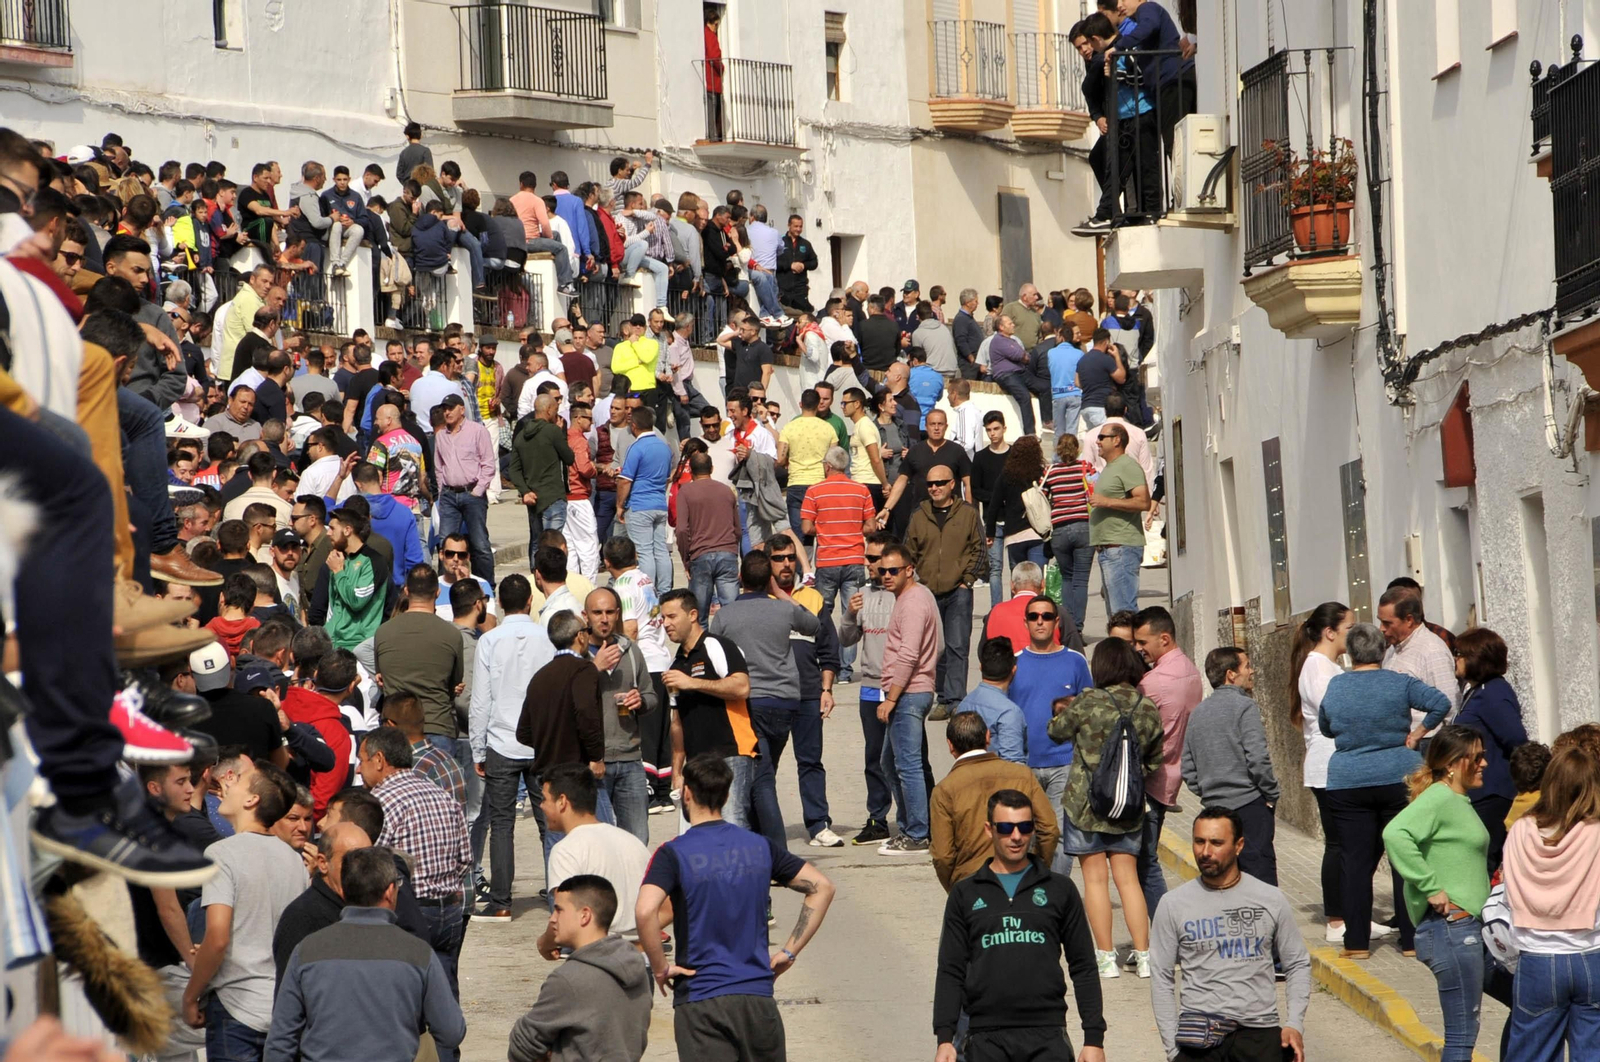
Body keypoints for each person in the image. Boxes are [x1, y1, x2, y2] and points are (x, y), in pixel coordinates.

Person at [636, 754, 836, 1061]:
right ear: (727, 795)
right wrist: (788, 952)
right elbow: (822, 887)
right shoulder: (760, 846)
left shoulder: (672, 853)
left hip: (701, 1000)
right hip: (757, 998)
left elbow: (645, 911)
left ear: (686, 793)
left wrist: (660, 968)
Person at [932, 788, 1105, 1062]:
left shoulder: (1061, 890)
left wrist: (1094, 1039)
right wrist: (945, 1038)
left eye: (1025, 827)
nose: (1016, 837)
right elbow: (951, 970)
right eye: (1006, 828)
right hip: (986, 1038)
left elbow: (1083, 966)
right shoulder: (965, 894)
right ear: (989, 830)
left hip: (1047, 1035)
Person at [1319, 622, 1451, 959]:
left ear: (1350, 653)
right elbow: (1440, 702)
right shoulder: (1399, 681)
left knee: (1355, 862)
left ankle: (1357, 943)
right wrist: (1418, 733)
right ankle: (1410, 941)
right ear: (1382, 651)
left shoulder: (1337, 686)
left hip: (1348, 781)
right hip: (1399, 778)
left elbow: (1325, 726)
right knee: (1403, 858)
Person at [266, 846, 466, 1062]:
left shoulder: (307, 951)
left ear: (344, 889)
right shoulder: (418, 954)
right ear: (390, 891)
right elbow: (452, 1031)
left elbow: (280, 1041)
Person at [1150, 808, 1312, 1062]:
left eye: (1216, 843)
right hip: (1199, 1039)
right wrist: (1173, 1050)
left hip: (1260, 1035)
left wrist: (1294, 1024)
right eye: (1199, 841)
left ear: (1238, 846)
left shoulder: (1270, 899)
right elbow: (1161, 976)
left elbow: (1298, 963)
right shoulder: (1173, 904)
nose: (1205, 852)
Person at [1047, 637, 1165, 980]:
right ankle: (1144, 956)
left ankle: (1105, 958)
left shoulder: (1087, 702)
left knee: (1094, 880)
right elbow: (1155, 759)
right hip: (1128, 806)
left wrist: (1059, 711)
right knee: (1128, 880)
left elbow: (1055, 732)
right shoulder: (1146, 706)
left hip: (1085, 805)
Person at [1382, 725, 1493, 1062]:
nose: (1485, 764)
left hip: (1468, 929)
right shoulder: (1440, 797)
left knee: (1529, 1002)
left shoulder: (1456, 799)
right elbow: (1395, 833)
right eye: (1478, 757)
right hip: (1452, 929)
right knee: (1461, 1036)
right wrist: (1430, 887)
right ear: (1454, 764)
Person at [182, 761, 306, 1059]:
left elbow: (218, 937)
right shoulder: (294, 861)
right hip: (283, 1009)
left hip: (235, 1008)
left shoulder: (222, 854)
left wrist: (190, 995)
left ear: (252, 800)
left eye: (236, 780)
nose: (227, 781)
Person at [708, 548, 822, 848]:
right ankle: (763, 845)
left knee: (762, 779)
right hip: (785, 702)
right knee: (762, 773)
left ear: (739, 578)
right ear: (769, 579)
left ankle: (776, 853)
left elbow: (712, 655)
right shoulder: (783, 610)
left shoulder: (725, 615)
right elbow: (813, 624)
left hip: (749, 704)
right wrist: (780, 594)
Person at [1500, 743, 1600, 1061]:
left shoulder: (1521, 830)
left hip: (1537, 957)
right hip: (1592, 953)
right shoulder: (1596, 831)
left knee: (1532, 1053)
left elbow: (1508, 891)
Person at [358, 727, 473, 995]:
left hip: (409, 912)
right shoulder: (441, 795)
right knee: (443, 993)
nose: (358, 769)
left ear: (379, 760)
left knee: (407, 996)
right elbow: (465, 860)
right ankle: (447, 1037)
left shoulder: (380, 802)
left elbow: (370, 863)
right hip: (450, 912)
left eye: (361, 760)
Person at [468, 574, 556, 920]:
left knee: (502, 823)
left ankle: (501, 901)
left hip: (502, 741)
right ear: (529, 602)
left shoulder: (489, 641)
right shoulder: (546, 639)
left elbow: (481, 701)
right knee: (548, 822)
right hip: (540, 744)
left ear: (500, 603)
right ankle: (556, 896)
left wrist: (478, 749)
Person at [1288, 601, 1372, 944]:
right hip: (1328, 767)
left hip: (1338, 764)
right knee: (1338, 843)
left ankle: (1354, 915)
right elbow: (1337, 714)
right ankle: (1337, 920)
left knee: (1351, 843)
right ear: (1330, 632)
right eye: (1349, 628)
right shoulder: (1318, 668)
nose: (1353, 634)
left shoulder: (1329, 666)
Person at [508, 873, 652, 1062]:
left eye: (559, 910)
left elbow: (522, 1045)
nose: (552, 919)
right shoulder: (637, 966)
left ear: (585, 915)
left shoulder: (569, 979)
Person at [658, 588, 760, 828]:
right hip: (696, 763)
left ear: (692, 615)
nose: (666, 624)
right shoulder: (678, 663)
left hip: (731, 751)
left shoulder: (716, 645)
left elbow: (742, 687)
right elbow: (677, 721)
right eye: (663, 618)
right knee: (700, 830)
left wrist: (691, 682)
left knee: (733, 823)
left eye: (672, 617)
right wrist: (677, 769)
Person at [930, 711, 1059, 890]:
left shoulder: (944, 790)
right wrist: (1037, 869)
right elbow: (1049, 829)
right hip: (1022, 878)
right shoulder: (1022, 775)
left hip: (971, 884)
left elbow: (943, 855)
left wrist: (956, 889)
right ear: (988, 737)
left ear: (950, 745)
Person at [1183, 647, 1279, 885]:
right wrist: (1271, 793)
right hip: (1248, 806)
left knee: (1221, 877)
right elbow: (1257, 759)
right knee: (1259, 878)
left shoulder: (1197, 713)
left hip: (1213, 808)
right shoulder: (1245, 707)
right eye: (1246, 666)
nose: (1251, 671)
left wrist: (1208, 791)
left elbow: (1187, 767)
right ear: (1231, 674)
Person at [1133, 605, 1202, 917]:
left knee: (1145, 865)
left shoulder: (1154, 683)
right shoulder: (1190, 670)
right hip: (1172, 777)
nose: (1139, 649)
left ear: (1164, 638)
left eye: (1143, 642)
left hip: (1151, 781)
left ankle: (1163, 933)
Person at [538, 762, 650, 950]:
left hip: (598, 958)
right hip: (638, 959)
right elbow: (666, 909)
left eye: (544, 799)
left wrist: (545, 944)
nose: (541, 806)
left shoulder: (566, 850)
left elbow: (565, 914)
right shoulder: (634, 843)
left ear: (562, 801)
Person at [876, 542, 942, 855]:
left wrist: (892, 697)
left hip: (909, 692)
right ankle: (925, 826)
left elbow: (909, 652)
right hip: (915, 689)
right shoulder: (916, 596)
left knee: (907, 766)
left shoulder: (914, 601)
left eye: (893, 570)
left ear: (909, 569)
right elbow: (937, 646)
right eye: (881, 569)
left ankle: (916, 833)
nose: (885, 575)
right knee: (895, 763)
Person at [904, 460, 984, 716]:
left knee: (958, 645)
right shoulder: (919, 515)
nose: (934, 488)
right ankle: (941, 697)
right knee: (934, 648)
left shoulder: (968, 514)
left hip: (958, 590)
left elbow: (979, 549)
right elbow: (908, 551)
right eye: (930, 484)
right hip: (927, 591)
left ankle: (955, 699)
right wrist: (913, 583)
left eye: (940, 483)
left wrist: (968, 580)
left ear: (953, 485)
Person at [604, 536, 677, 811]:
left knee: (643, 730)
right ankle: (662, 791)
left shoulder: (623, 586)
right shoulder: (645, 578)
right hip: (660, 658)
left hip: (644, 662)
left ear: (607, 562)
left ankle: (647, 791)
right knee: (660, 731)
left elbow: (630, 628)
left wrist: (624, 661)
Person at [583, 588, 659, 844]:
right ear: (586, 616)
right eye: (597, 612)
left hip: (630, 760)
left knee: (637, 840)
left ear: (617, 614)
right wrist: (594, 668)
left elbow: (651, 695)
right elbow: (565, 698)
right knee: (601, 843)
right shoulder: (579, 655)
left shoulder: (631, 651)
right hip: (594, 763)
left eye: (609, 612)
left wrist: (641, 700)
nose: (604, 619)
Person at [1451, 627, 1528, 874]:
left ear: (1476, 658)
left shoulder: (1493, 693)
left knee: (1483, 863)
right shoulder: (1476, 691)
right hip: (1478, 792)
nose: (1455, 658)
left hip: (1492, 793)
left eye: (1459, 653)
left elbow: (1516, 740)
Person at [1010, 593, 1094, 817]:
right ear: (1025, 622)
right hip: (1024, 765)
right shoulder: (1014, 663)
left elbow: (1090, 712)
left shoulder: (1076, 661)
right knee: (1028, 839)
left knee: (1060, 838)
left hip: (1065, 765)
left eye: (1046, 616)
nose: (1040, 621)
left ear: (1057, 622)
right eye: (1033, 616)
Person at [374, 565, 465, 753]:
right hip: (437, 725)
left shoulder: (383, 632)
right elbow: (454, 684)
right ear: (438, 592)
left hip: (395, 729)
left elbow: (381, 676)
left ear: (406, 591)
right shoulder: (451, 634)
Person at [270, 820, 371, 981]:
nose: (362, 869)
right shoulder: (302, 917)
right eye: (352, 860)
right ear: (323, 863)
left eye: (368, 860)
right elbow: (289, 990)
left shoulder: (372, 906)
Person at [433, 391, 497, 584]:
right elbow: (439, 466)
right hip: (449, 495)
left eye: (451, 408)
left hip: (472, 493)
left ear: (462, 409)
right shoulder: (441, 436)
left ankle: (486, 586)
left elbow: (488, 464)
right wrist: (442, 489)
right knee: (445, 543)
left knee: (479, 544)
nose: (447, 412)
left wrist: (478, 491)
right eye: (444, 409)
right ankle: (444, 584)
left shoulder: (477, 431)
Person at [1379, 586, 1461, 734]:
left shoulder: (1432, 650)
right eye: (1380, 622)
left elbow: (1450, 706)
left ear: (1409, 620)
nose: (1382, 629)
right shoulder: (1393, 647)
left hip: (1424, 742)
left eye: (1387, 623)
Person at [1088, 423, 1148, 615]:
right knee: (1116, 615)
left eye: (1101, 437)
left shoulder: (1127, 466)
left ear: (1116, 440)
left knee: (1123, 614)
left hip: (1121, 549)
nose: (1097, 441)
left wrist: (1106, 501)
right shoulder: (1111, 467)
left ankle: (1129, 645)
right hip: (1109, 549)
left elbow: (1143, 502)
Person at [675, 451, 742, 618]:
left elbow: (682, 529)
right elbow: (738, 529)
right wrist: (734, 550)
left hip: (700, 554)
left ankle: (703, 643)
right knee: (731, 612)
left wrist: (686, 559)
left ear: (691, 471)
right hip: (727, 553)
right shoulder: (727, 491)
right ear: (711, 468)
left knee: (699, 614)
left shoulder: (686, 492)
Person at [617, 405, 675, 593]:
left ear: (633, 425)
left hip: (640, 505)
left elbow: (625, 481)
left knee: (644, 552)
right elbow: (667, 477)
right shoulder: (664, 447)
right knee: (661, 551)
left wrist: (619, 505)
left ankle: (648, 592)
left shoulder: (637, 447)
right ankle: (665, 591)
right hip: (659, 503)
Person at [1042, 432, 1096, 631]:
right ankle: (1078, 627)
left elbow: (1044, 498)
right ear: (1077, 449)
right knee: (1081, 580)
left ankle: (1067, 627)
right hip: (1084, 527)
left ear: (1058, 450)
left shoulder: (1050, 471)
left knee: (1067, 578)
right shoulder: (1086, 468)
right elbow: (1094, 493)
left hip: (1060, 529)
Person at [983, 434, 1048, 573]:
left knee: (1019, 581)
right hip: (1037, 532)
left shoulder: (1006, 475)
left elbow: (993, 506)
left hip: (1014, 535)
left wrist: (990, 533)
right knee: (1037, 580)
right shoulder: (1040, 474)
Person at [961, 638, 1030, 764]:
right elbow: (1013, 764)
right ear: (1013, 670)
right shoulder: (1009, 712)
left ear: (981, 667)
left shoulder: (964, 704)